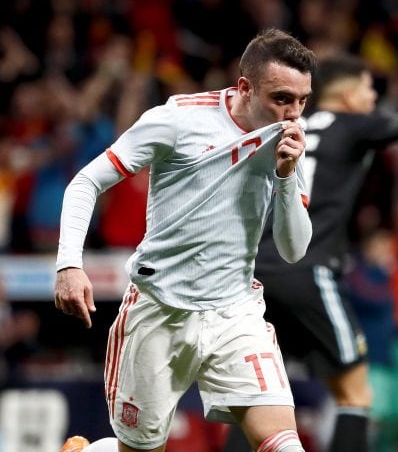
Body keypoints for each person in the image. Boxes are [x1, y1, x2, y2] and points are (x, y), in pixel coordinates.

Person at [54, 28, 316, 452]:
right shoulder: (178, 120)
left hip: (235, 313)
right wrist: (69, 263)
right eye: (282, 98)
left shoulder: (287, 144)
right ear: (245, 88)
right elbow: (86, 182)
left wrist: (286, 176)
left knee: (285, 445)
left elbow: (293, 249)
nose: (293, 114)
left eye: (302, 100)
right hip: (160, 309)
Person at [224, 53, 398, 452]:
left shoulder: (282, 127)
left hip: (255, 273)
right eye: (367, 88)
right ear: (346, 95)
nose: (373, 98)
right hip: (309, 270)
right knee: (354, 392)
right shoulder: (350, 124)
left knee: (259, 395)